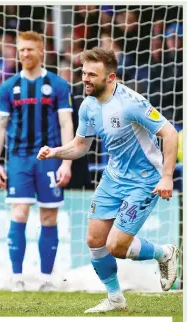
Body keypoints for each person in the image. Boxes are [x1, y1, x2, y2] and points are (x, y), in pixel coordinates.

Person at [37, 47, 179, 313]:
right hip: (113, 177)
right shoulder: (89, 105)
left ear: (110, 77)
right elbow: (81, 145)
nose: (86, 79)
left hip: (145, 179)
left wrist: (167, 177)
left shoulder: (130, 102)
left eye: (92, 74)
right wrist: (56, 151)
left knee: (116, 246)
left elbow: (170, 134)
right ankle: (116, 299)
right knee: (94, 240)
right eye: (83, 72)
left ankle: (165, 253)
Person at [0, 31, 73, 291]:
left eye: (30, 49)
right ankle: (16, 277)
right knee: (19, 212)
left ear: (41, 52)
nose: (24, 53)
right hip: (18, 158)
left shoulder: (58, 85)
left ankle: (46, 278)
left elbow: (65, 122)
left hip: (49, 158)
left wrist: (66, 160)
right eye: (21, 49)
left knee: (49, 216)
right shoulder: (7, 87)